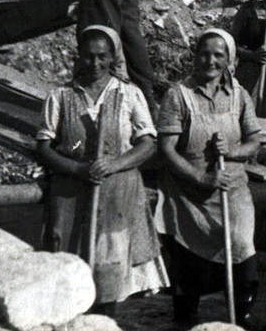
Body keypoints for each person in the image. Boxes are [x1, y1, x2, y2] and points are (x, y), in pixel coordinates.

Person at [36, 25, 168, 317]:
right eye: (88, 56)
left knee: (109, 270)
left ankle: (105, 321)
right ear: (78, 56)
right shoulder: (60, 96)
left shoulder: (129, 94)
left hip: (117, 194)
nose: (95, 64)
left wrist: (115, 163)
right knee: (69, 268)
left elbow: (148, 144)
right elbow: (43, 147)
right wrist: (78, 169)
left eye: (102, 57)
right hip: (71, 192)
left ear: (113, 57)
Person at [155, 29, 261, 328]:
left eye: (218, 55)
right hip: (189, 193)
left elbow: (255, 142)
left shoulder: (239, 95)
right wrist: (201, 177)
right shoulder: (179, 95)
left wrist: (234, 150)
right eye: (204, 53)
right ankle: (187, 319)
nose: (210, 61)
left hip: (233, 188)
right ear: (195, 55)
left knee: (241, 246)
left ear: (229, 60)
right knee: (188, 269)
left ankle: (241, 319)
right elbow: (166, 149)